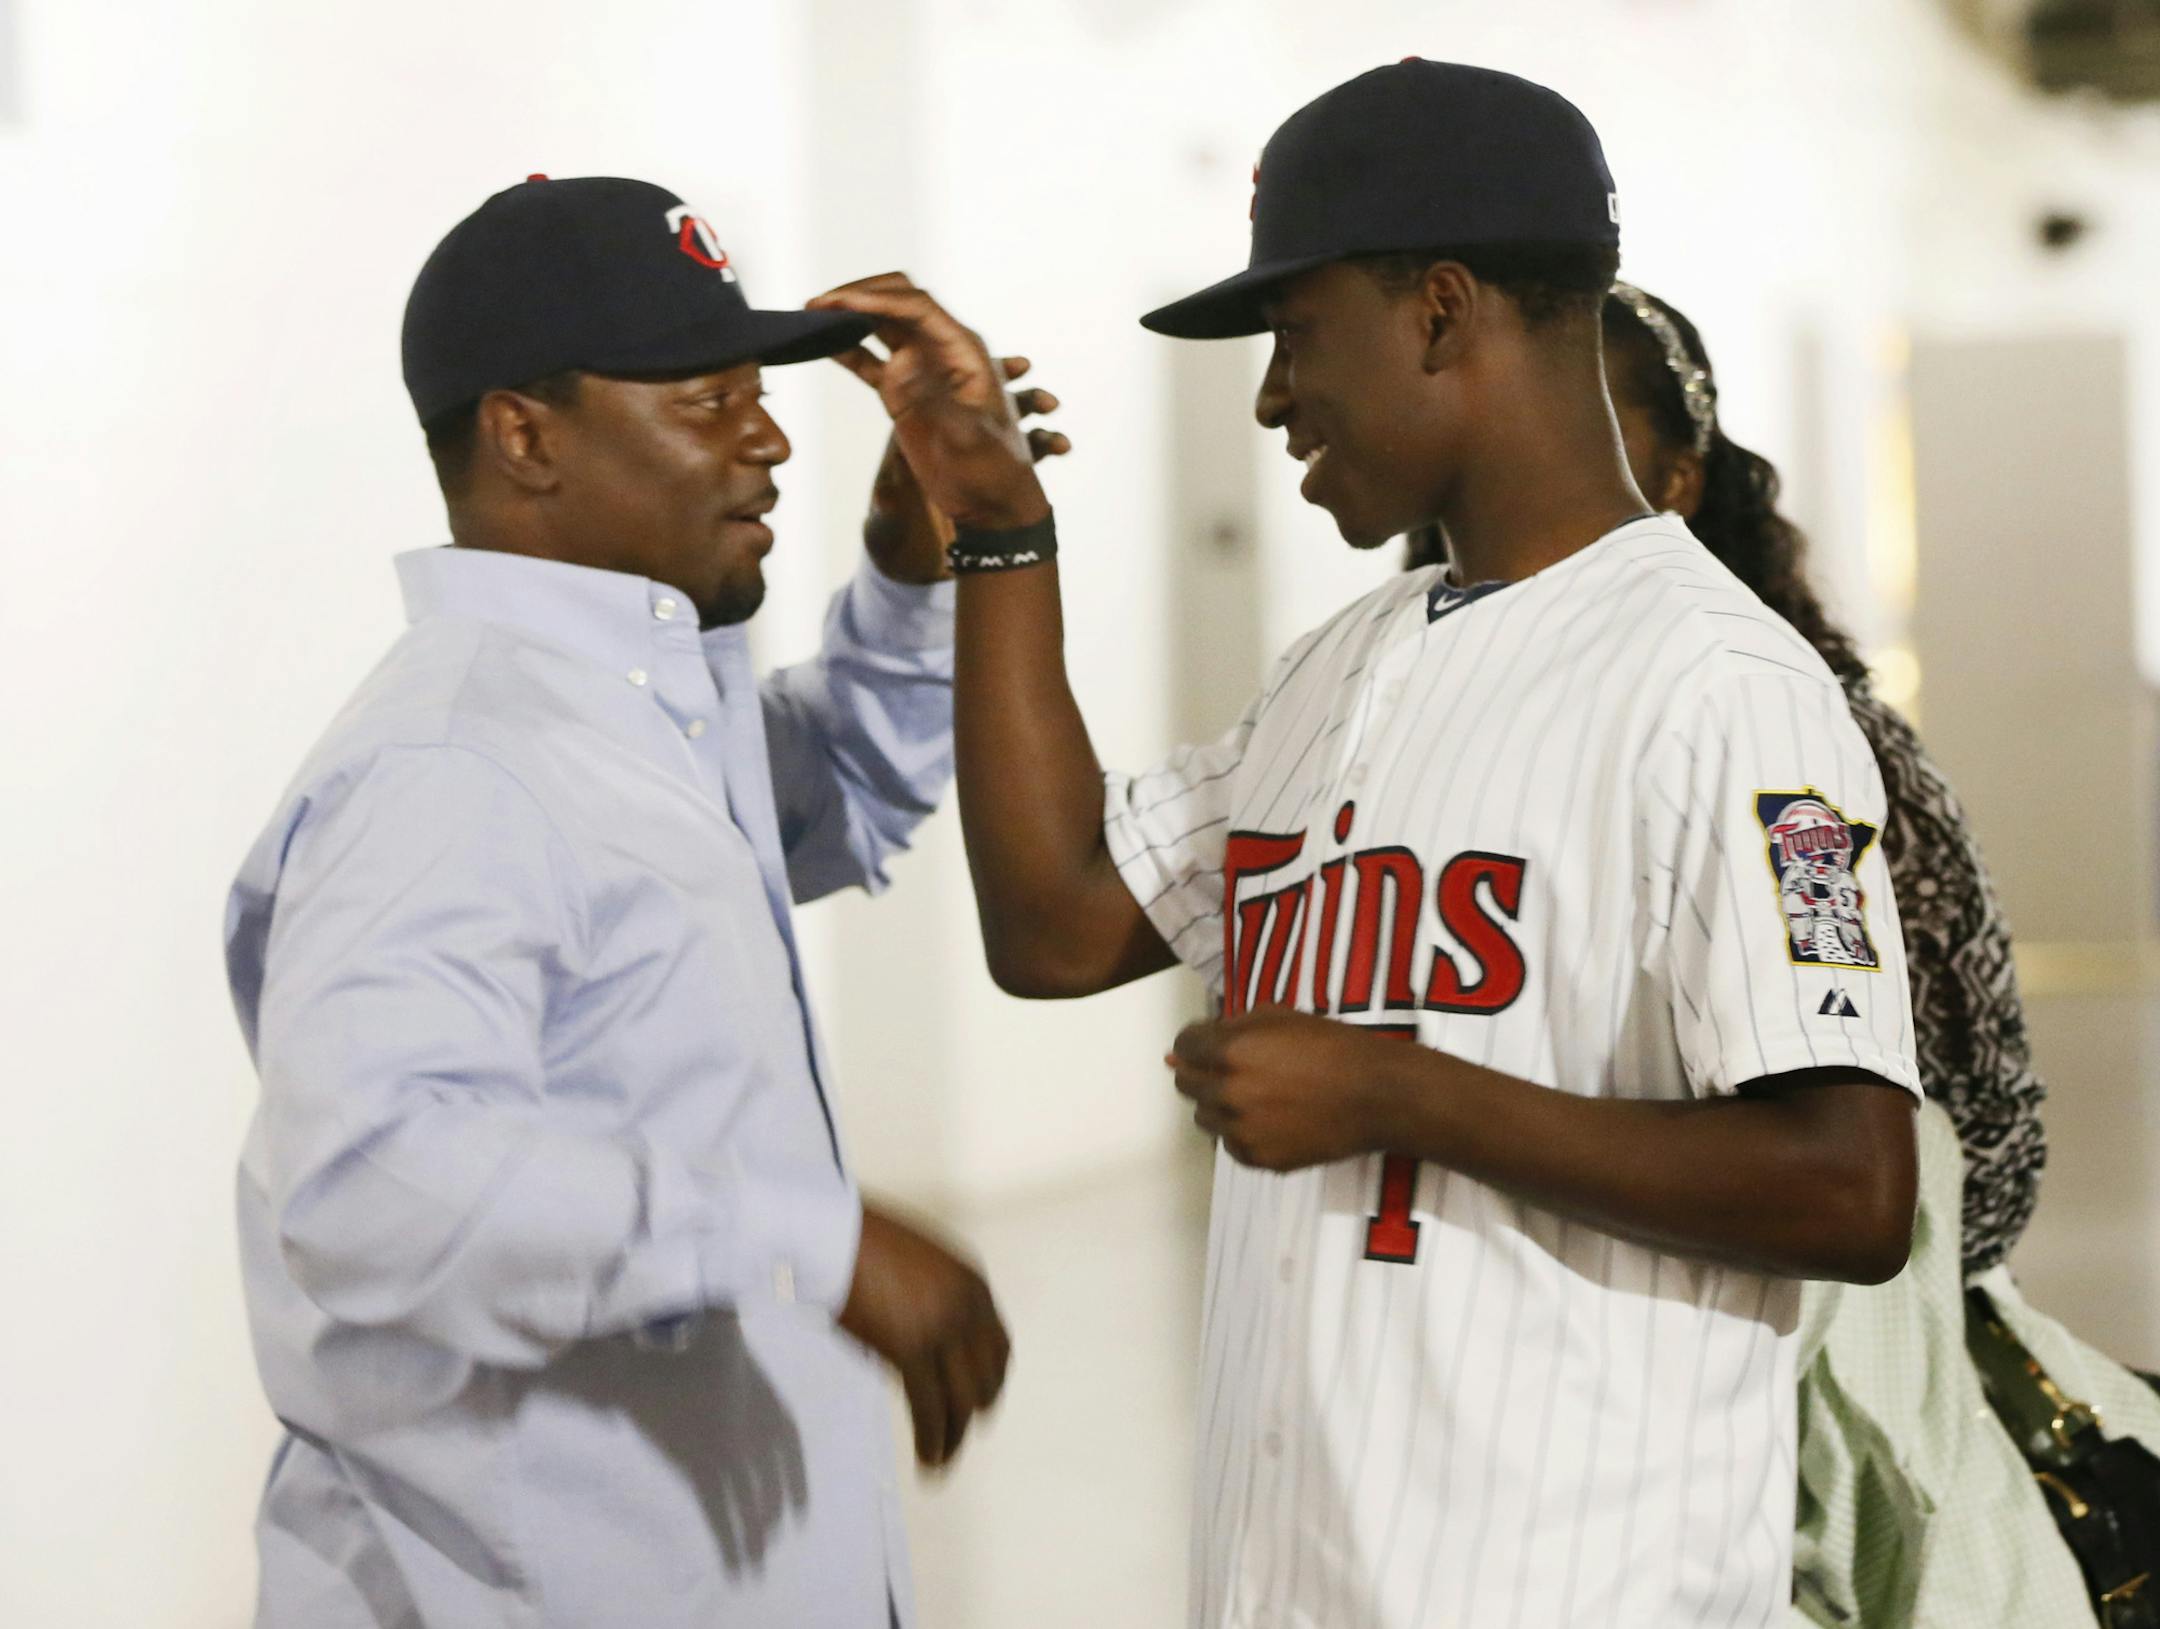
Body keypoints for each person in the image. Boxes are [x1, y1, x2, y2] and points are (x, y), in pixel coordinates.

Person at [813, 61, 1922, 1629]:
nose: (1273, 396)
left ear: (1440, 312)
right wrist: (1000, 528)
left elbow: (1853, 1184)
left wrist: (1401, 1090)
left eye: (1295, 331)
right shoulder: (1341, 666)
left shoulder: (1722, 685)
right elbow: (1056, 921)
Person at [224, 175, 1024, 1629]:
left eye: (758, 393)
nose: (768, 438)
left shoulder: (628, 712)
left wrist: (910, 560)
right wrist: (808, 1236)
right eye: (707, 399)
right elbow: (371, 1178)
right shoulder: (452, 765)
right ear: (525, 436)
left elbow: (845, 782)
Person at [1555, 282, 2160, 1627]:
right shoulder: (1428, 735)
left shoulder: (1802, 739)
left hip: (1785, 1394)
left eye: (1587, 430)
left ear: (1681, 478)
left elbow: (1978, 1132)